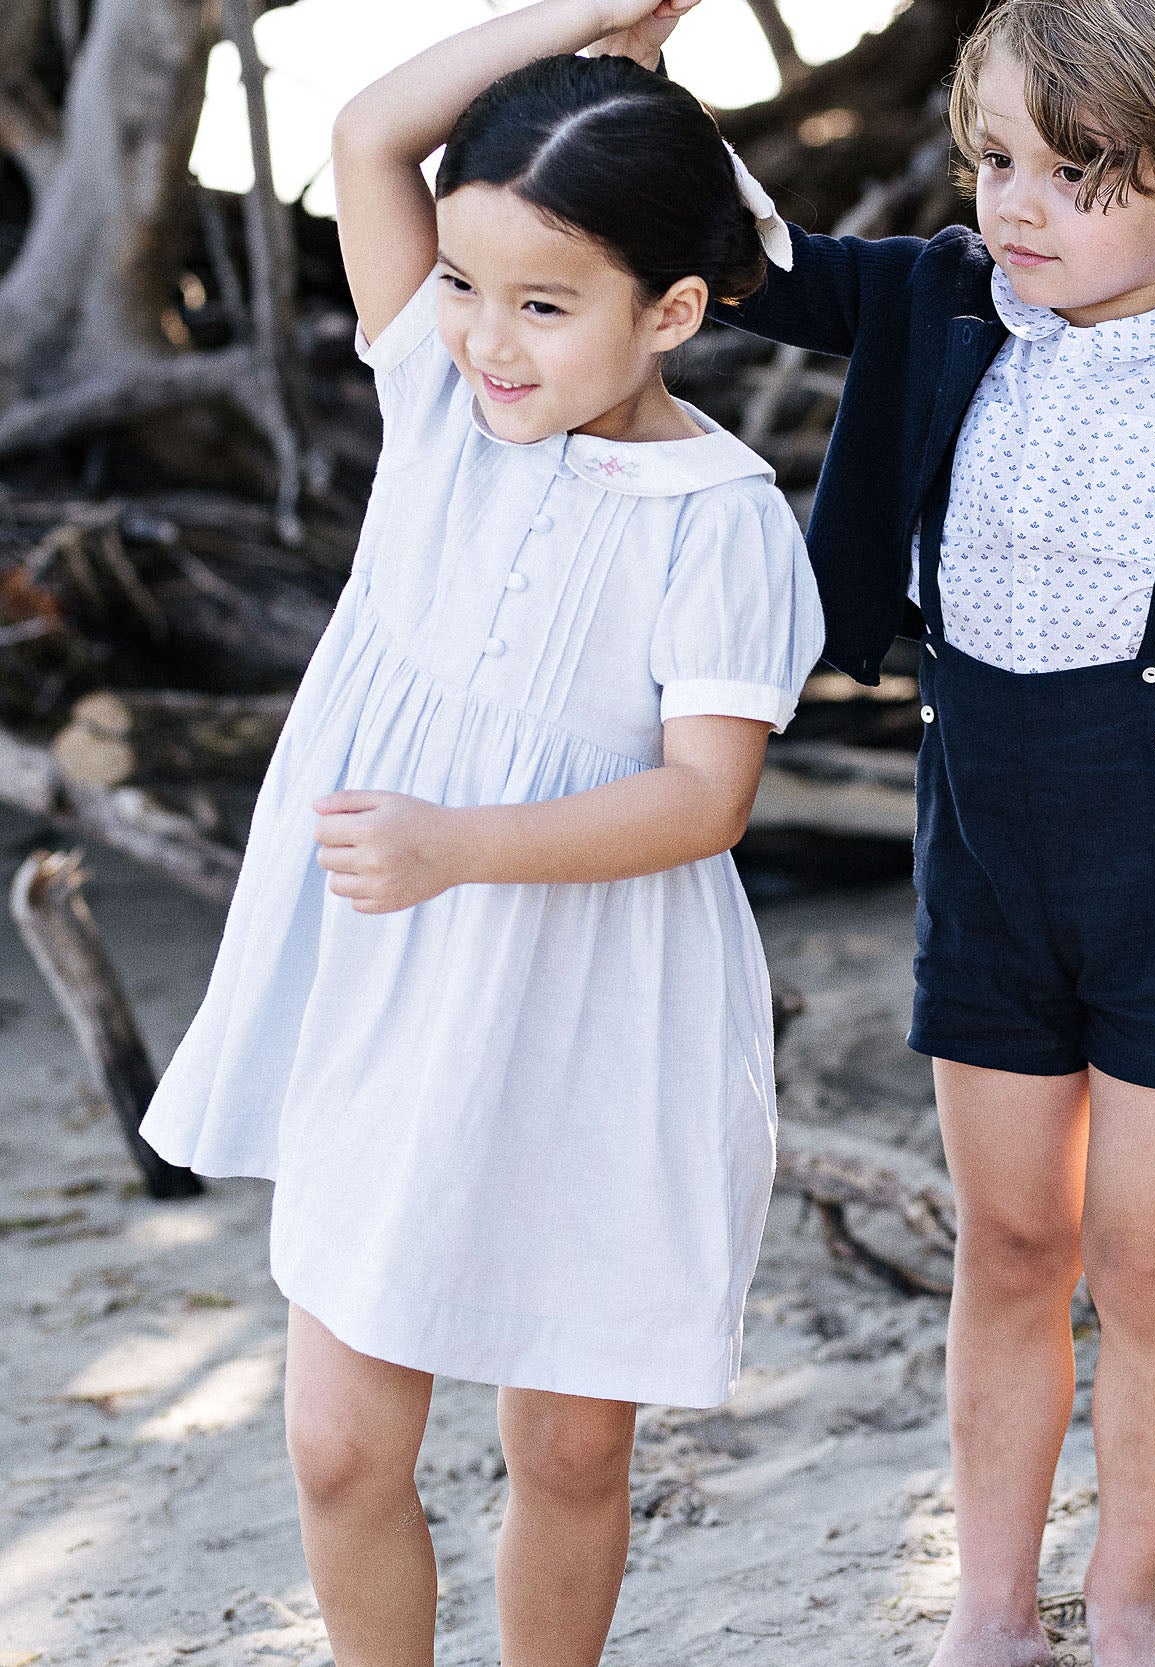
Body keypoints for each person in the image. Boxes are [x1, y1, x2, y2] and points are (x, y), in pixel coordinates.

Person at [628, 0, 1155, 1662]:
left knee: (1147, 1257)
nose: (1016, 205)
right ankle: (996, 1609)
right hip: (986, 830)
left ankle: (1135, 1600)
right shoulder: (943, 299)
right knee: (1014, 1241)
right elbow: (748, 255)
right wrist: (643, 81)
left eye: (1077, 175)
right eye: (996, 158)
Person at [138, 4, 822, 1664]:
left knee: (569, 1448)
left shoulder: (722, 520)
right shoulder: (441, 411)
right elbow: (370, 131)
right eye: (460, 283)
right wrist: (592, 16)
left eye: (544, 305)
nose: (488, 341)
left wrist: (461, 844)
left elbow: (706, 798)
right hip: (389, 986)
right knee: (337, 1444)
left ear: (670, 312)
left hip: (594, 1004)